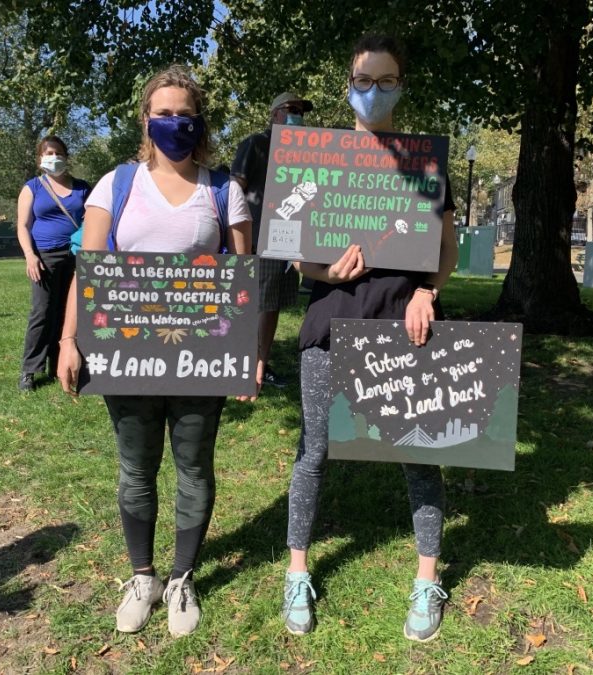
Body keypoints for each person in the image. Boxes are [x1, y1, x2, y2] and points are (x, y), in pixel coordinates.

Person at [57, 66, 254, 637]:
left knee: (193, 466)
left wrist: (246, 354)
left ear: (200, 120)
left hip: (202, 359)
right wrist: (69, 341)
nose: (174, 123)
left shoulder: (224, 191)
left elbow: (243, 279)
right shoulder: (115, 185)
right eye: (162, 113)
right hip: (126, 357)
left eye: (183, 114)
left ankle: (183, 576)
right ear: (146, 120)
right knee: (136, 467)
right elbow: (87, 274)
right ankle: (143, 577)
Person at [282, 35, 459, 641]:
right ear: (347, 85)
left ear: (401, 85)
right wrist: (324, 271)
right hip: (330, 323)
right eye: (365, 80)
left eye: (387, 81)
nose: (374, 92)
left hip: (403, 326)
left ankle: (426, 578)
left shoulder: (424, 161)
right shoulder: (316, 156)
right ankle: (297, 571)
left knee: (417, 450)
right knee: (314, 451)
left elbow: (446, 249)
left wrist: (426, 291)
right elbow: (293, 252)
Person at [231, 92, 312, 387]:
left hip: (289, 240)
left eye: (301, 111)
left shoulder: (304, 152)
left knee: (273, 304)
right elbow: (234, 190)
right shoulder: (255, 144)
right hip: (258, 239)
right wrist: (240, 237)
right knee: (257, 304)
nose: (298, 115)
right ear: (275, 113)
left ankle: (261, 363)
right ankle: (248, 364)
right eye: (292, 109)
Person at [16, 135, 91, 391]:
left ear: (66, 156)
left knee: (70, 311)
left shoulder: (82, 188)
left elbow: (93, 220)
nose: (53, 157)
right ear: (40, 159)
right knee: (42, 311)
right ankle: (29, 369)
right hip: (44, 256)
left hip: (76, 256)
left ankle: (62, 362)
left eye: (57, 152)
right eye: (48, 153)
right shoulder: (33, 187)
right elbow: (23, 225)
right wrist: (30, 255)